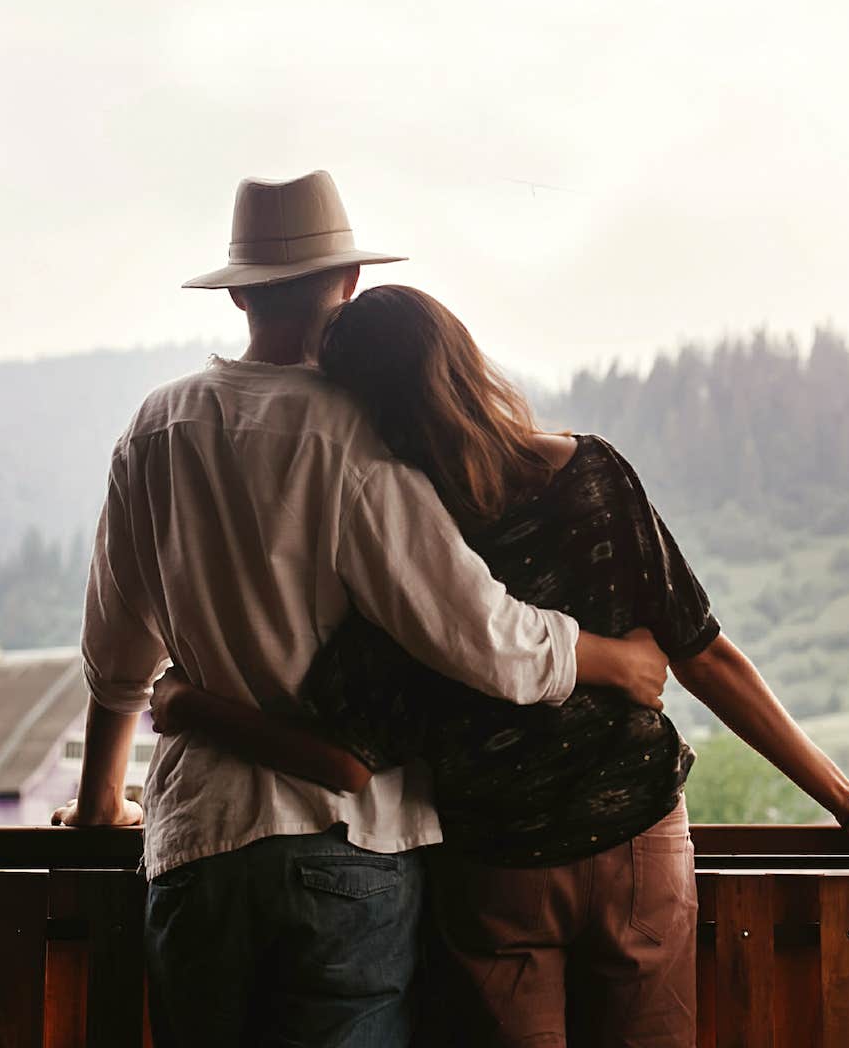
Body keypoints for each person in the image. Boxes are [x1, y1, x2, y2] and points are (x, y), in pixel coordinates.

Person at [152, 284, 849, 1048]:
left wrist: (186, 703)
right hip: (637, 840)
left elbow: (344, 758)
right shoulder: (590, 477)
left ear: (359, 406)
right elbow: (705, 655)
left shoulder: (405, 548)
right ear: (460, 359)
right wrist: (848, 802)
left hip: (498, 872)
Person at [51, 172, 665, 1048]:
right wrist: (613, 659)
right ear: (345, 287)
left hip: (197, 841)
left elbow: (116, 660)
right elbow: (483, 639)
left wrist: (104, 806)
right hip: (350, 840)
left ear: (237, 292)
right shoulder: (359, 435)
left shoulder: (154, 430)